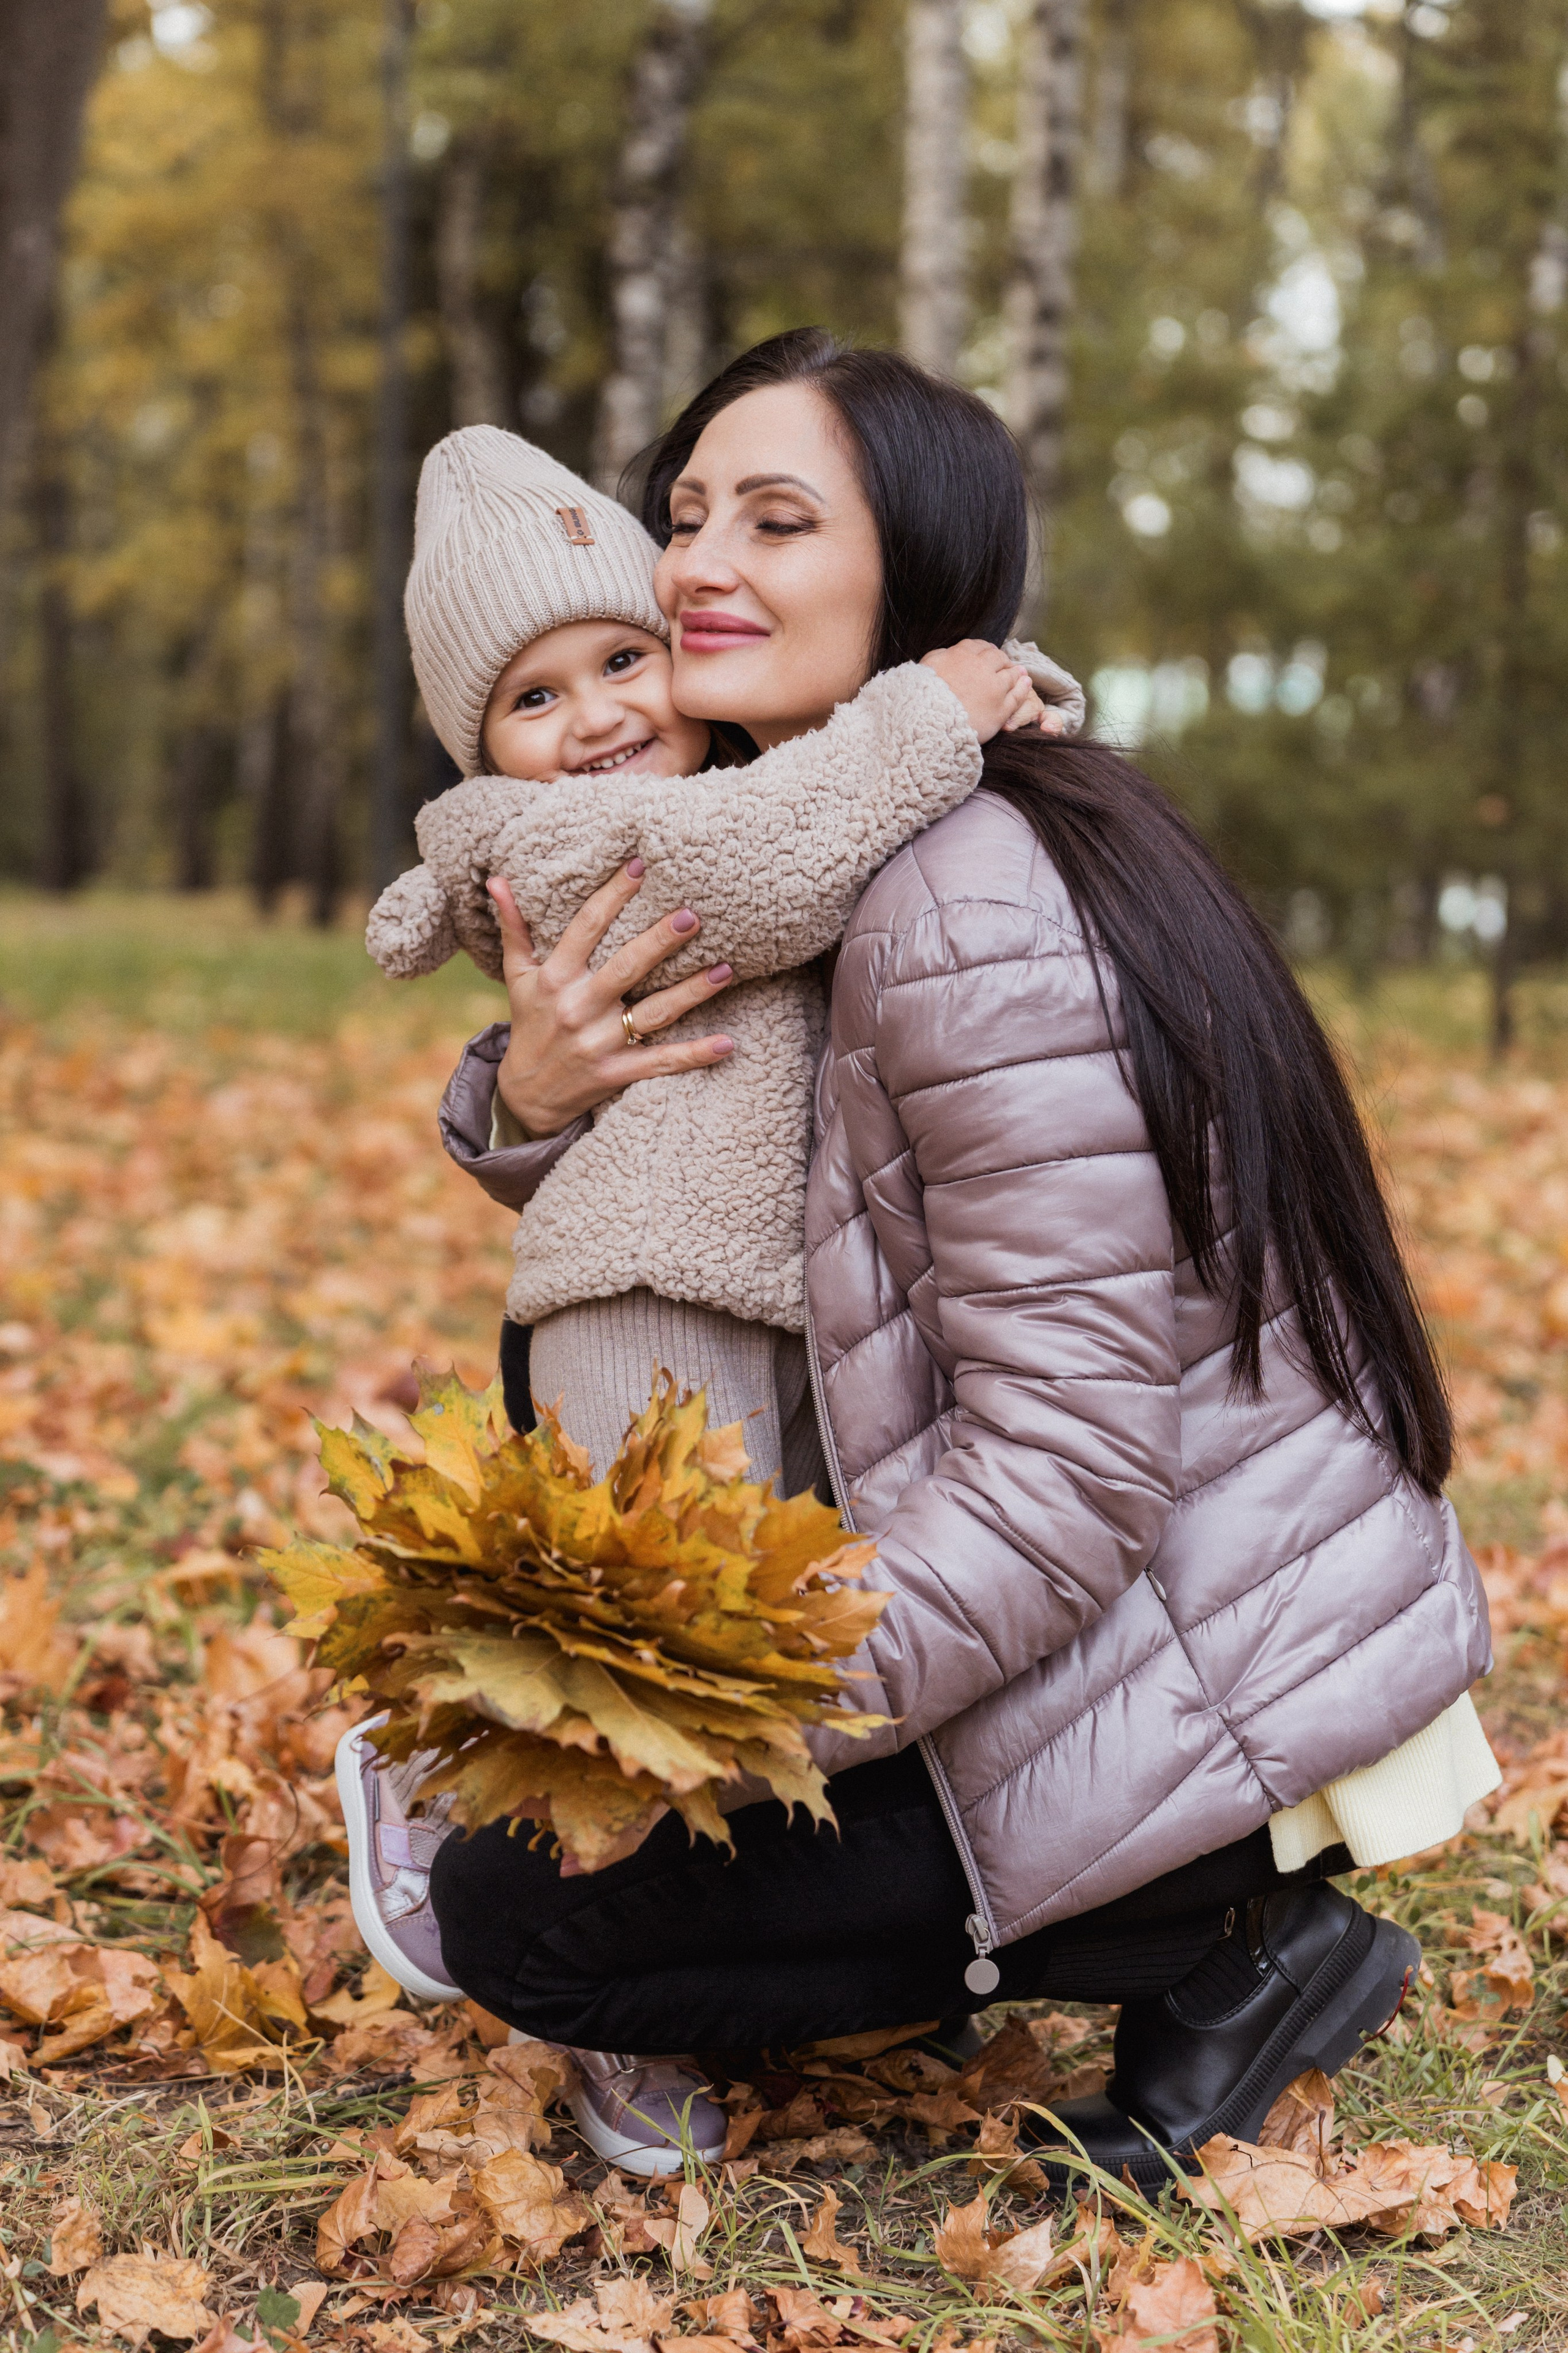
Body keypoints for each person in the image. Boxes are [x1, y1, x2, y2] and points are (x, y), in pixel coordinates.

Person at [418, 331, 1499, 2190]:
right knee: (546, 1801)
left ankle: (1220, 1934)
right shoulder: (839, 851)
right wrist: (522, 1090)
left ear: (909, 571)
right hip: (1133, 1613)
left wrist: (721, 1712)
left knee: (517, 1914)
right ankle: (1066, 1922)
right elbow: (757, 1195)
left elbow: (1069, 1478)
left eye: (778, 519)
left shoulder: (960, 895)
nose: (698, 569)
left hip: (1189, 1651)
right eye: (685, 516)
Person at [339, 421, 1079, 2175]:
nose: (597, 710)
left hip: (768, 1284)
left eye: (621, 656)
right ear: (480, 749)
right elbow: (773, 862)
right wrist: (939, 706)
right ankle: (599, 1972)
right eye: (535, 694)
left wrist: (517, 1098)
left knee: (745, 1616)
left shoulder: (721, 777)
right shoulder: (574, 834)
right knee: (662, 1640)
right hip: (643, 1290)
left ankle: (582, 1853)